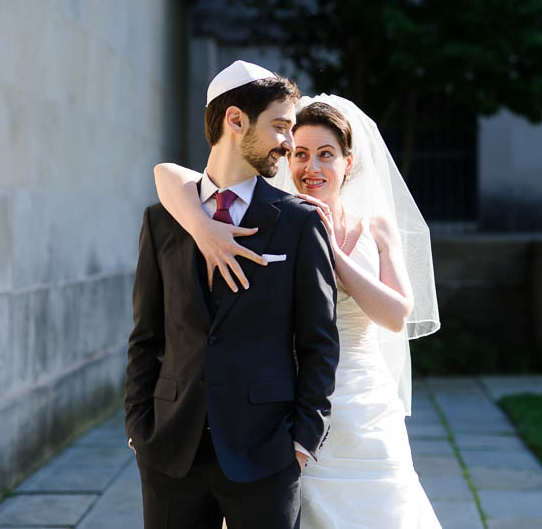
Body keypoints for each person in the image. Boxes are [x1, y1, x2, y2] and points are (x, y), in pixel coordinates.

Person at [153, 92, 443, 528]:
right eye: (301, 154)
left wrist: (332, 254)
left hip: (364, 403)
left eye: (326, 155)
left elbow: (397, 314)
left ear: (348, 162)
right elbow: (167, 175)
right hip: (290, 403)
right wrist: (200, 225)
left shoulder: (375, 227)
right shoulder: (277, 220)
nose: (312, 168)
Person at [124, 60, 341, 529]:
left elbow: (319, 342)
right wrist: (138, 428)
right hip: (169, 453)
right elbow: (146, 335)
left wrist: (303, 441)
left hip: (265, 455)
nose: (289, 143)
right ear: (236, 120)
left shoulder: (299, 223)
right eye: (281, 126)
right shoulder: (162, 221)